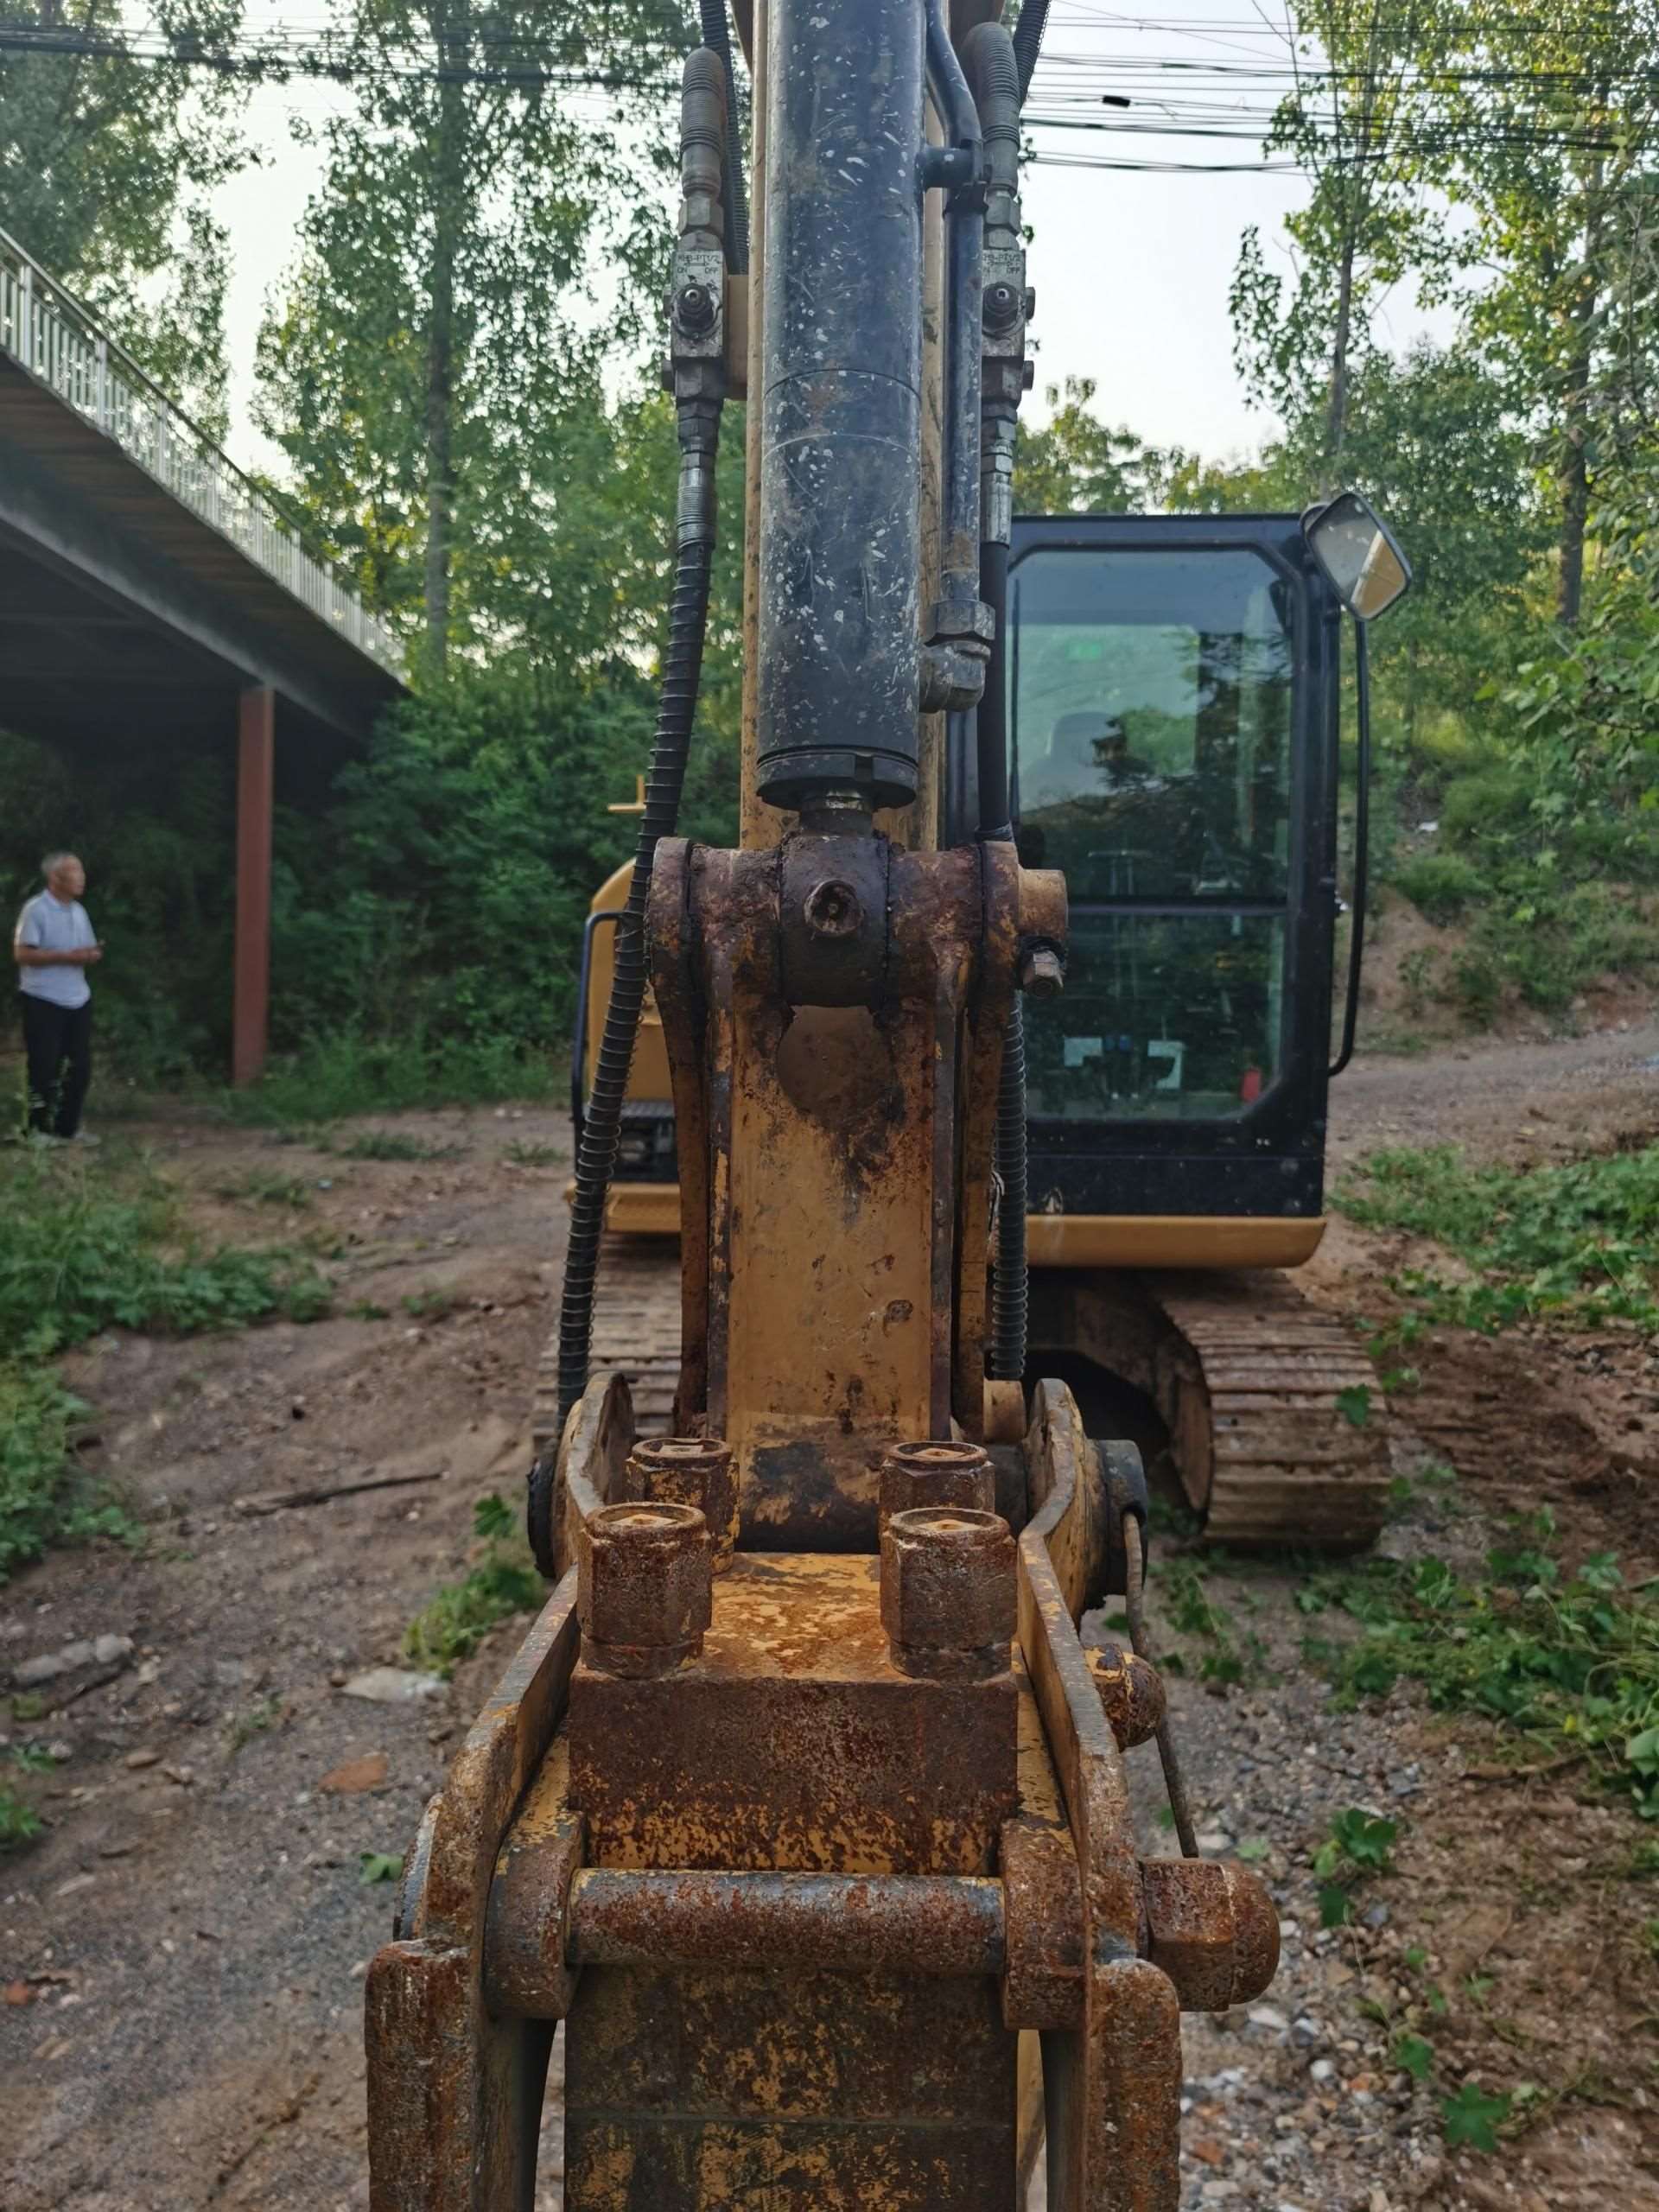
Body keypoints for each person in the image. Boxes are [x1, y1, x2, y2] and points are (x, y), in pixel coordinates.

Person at [13, 852, 102, 1146]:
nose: (81, 877)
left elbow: (85, 949)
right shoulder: (36, 910)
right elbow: (22, 953)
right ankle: (36, 1130)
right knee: (44, 1065)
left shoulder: (79, 911)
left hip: (77, 997)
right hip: (43, 998)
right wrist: (67, 956)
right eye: (75, 871)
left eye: (81, 871)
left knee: (80, 1066)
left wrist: (90, 955)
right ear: (56, 878)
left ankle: (68, 1128)